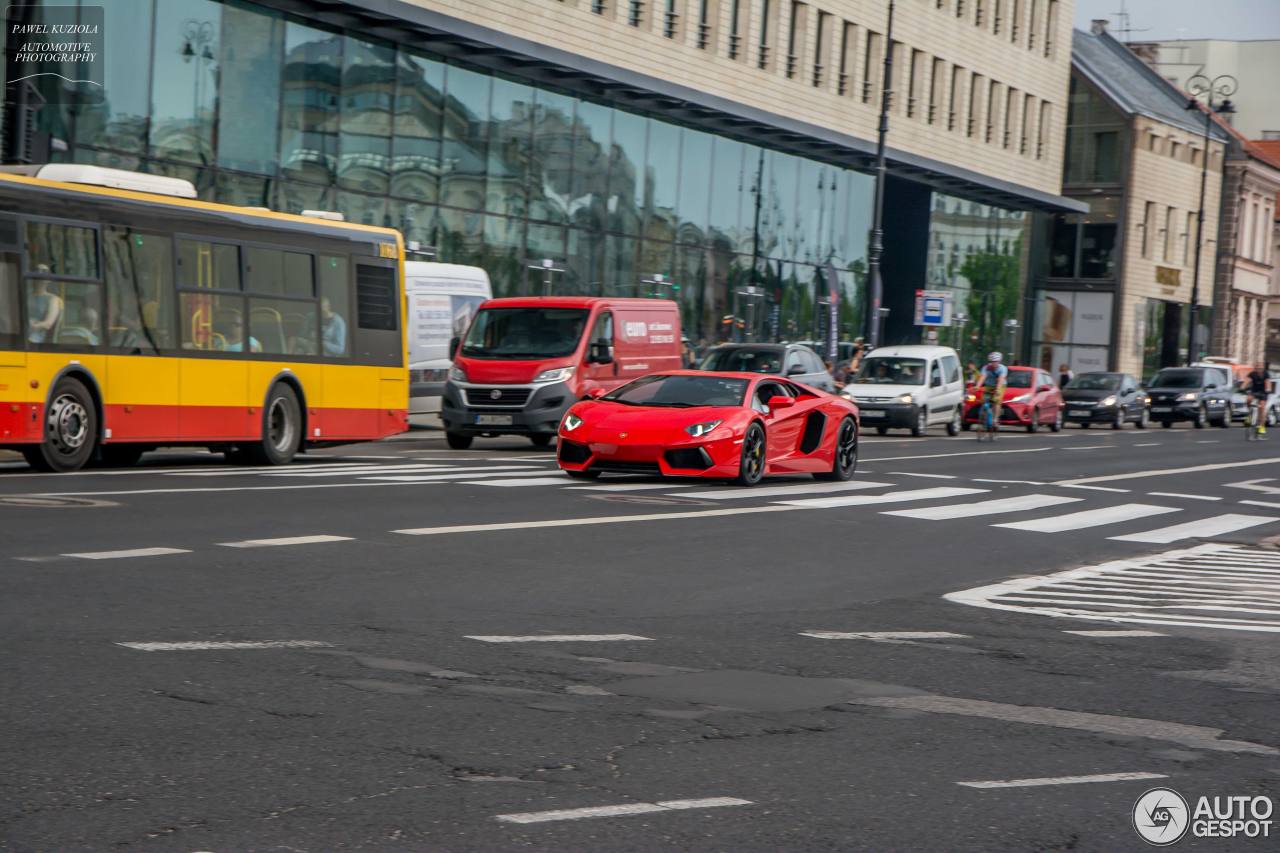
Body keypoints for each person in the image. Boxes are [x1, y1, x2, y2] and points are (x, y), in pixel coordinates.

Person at [975, 351, 1008, 430]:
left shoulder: (1003, 368)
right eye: (992, 362)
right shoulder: (986, 368)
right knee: (983, 400)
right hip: (989, 385)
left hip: (1000, 385)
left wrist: (997, 389)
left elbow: (1001, 379)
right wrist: (977, 386)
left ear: (999, 361)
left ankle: (995, 419)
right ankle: (982, 418)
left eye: (996, 362)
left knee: (996, 401)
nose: (994, 364)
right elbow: (983, 377)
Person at [26, 277, 62, 343]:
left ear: (47, 281)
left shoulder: (53, 299)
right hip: (22, 331)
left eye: (42, 278)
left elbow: (48, 324)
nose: (39, 281)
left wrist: (31, 325)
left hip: (36, 335)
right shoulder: (26, 296)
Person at [1246, 361, 1272, 437]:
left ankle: (1261, 426)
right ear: (1255, 367)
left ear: (1262, 367)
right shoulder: (1252, 374)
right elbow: (1246, 381)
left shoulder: (1266, 374)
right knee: (1249, 399)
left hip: (1263, 393)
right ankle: (1249, 414)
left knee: (1262, 407)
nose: (1258, 368)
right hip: (1254, 392)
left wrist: (1268, 389)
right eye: (1257, 366)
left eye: (1260, 367)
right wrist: (1242, 388)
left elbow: (1268, 382)